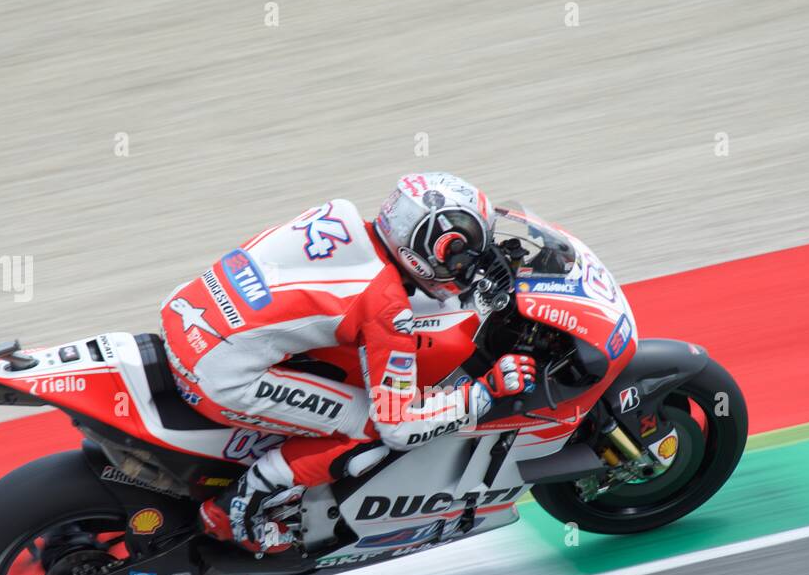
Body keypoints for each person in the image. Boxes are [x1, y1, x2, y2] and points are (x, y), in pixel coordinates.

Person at [160, 172, 536, 552]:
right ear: (421, 253)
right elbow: (399, 427)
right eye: (459, 255)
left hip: (187, 315)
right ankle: (238, 509)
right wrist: (484, 393)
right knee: (370, 427)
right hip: (218, 372)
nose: (465, 265)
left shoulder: (339, 216)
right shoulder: (386, 306)